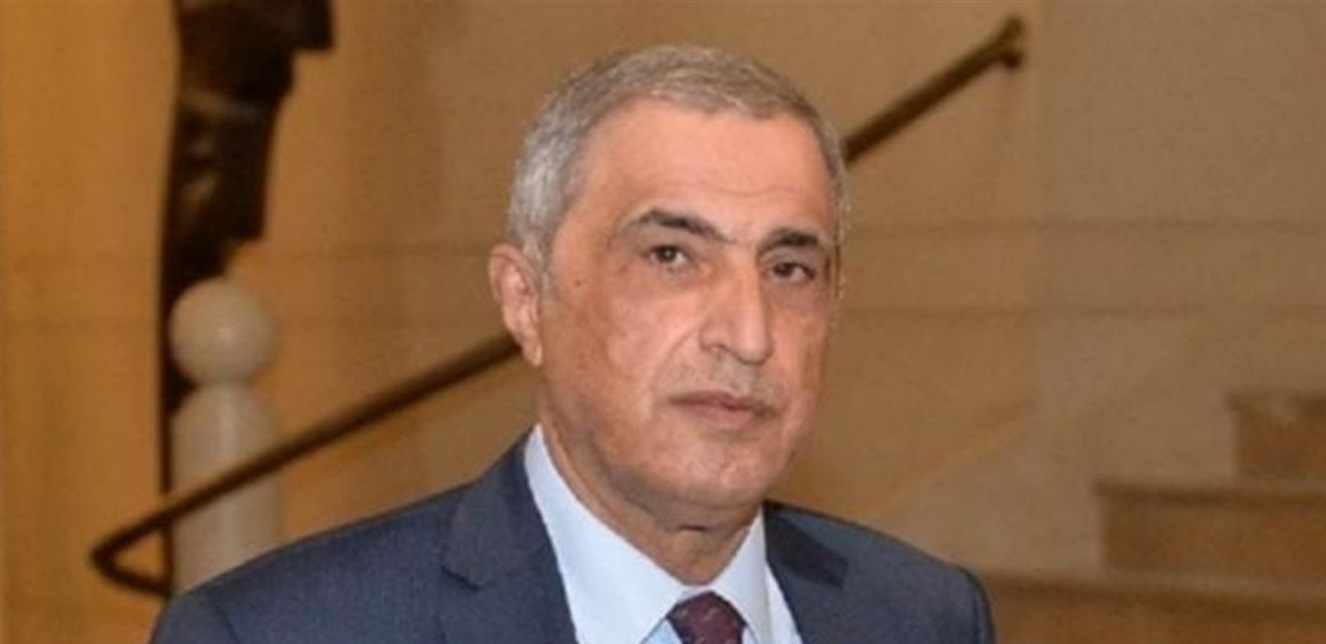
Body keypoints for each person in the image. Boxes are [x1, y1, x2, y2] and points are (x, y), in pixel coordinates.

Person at [150, 44, 994, 644]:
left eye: (789, 268)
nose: (749, 333)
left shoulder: (923, 617)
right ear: (525, 301)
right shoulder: (279, 633)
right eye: (671, 257)